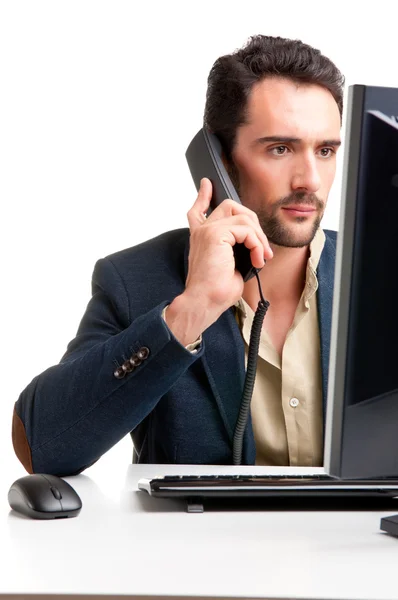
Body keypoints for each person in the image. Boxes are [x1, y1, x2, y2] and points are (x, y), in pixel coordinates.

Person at [12, 35, 344, 476]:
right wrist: (191, 310)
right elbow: (42, 446)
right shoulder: (135, 280)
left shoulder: (382, 273)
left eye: (325, 151)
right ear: (220, 163)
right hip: (200, 545)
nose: (311, 180)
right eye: (280, 149)